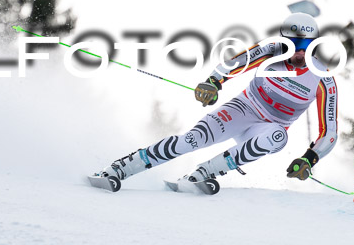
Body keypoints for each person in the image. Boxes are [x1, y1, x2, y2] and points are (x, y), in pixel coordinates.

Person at [95, 12, 339, 185]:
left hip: (269, 128)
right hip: (243, 109)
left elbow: (329, 131)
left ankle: (205, 173)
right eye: (294, 43)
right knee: (192, 140)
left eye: (306, 44)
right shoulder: (270, 50)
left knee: (278, 137)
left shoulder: (322, 79)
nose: (299, 51)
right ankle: (121, 168)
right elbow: (234, 64)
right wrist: (214, 82)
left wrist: (310, 158)